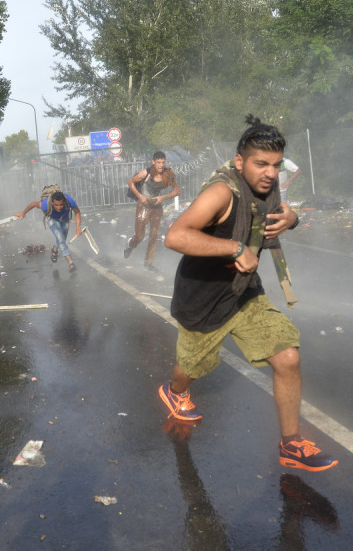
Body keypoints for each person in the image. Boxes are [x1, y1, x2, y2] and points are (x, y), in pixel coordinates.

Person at [158, 119, 336, 472]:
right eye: (261, 164)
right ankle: (174, 392)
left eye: (276, 165)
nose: (270, 173)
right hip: (203, 299)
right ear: (240, 162)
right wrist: (235, 248)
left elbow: (278, 213)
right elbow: (175, 236)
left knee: (287, 356)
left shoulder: (267, 187)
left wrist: (293, 218)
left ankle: (291, 445)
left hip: (244, 292)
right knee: (191, 368)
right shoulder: (221, 192)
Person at [124, 151, 180, 272]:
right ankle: (130, 245)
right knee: (140, 236)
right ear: (153, 162)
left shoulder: (168, 173)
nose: (161, 165)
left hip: (157, 207)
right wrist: (140, 196)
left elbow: (177, 191)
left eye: (163, 162)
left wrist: (163, 197)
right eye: (158, 162)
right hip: (143, 206)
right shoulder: (146, 172)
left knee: (154, 236)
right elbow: (130, 182)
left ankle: (148, 263)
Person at [15, 188, 83, 273]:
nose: (59, 207)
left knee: (63, 238)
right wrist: (23, 213)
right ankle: (71, 262)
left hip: (64, 218)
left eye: (61, 205)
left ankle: (54, 249)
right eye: (56, 205)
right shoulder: (45, 204)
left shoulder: (69, 201)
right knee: (61, 240)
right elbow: (34, 204)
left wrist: (78, 228)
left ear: (64, 202)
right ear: (52, 203)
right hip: (52, 219)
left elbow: (77, 212)